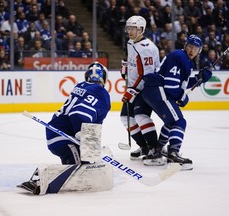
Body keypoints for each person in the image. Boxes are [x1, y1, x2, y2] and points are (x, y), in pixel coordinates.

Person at [18, 62, 113, 195]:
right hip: (65, 137)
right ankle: (41, 179)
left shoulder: (81, 86)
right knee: (81, 169)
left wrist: (92, 148)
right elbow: (78, 114)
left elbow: (86, 121)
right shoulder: (101, 93)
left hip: (56, 135)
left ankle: (46, 176)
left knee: (85, 165)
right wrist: (83, 136)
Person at [141, 35, 212, 170]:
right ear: (185, 45)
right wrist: (181, 97)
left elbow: (179, 82)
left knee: (171, 123)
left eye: (195, 48)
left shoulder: (183, 59)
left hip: (153, 90)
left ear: (200, 51)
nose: (192, 50)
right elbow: (171, 85)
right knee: (179, 122)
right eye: (190, 46)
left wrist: (199, 79)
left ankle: (157, 150)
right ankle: (173, 154)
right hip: (158, 89)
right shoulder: (180, 57)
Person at [120, 15, 163, 165]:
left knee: (140, 116)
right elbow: (136, 65)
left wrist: (131, 91)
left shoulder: (147, 48)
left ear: (141, 29)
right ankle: (144, 147)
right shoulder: (131, 42)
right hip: (135, 88)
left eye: (133, 28)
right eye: (128, 28)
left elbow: (146, 75)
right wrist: (126, 67)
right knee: (125, 118)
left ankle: (155, 149)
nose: (129, 31)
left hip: (146, 89)